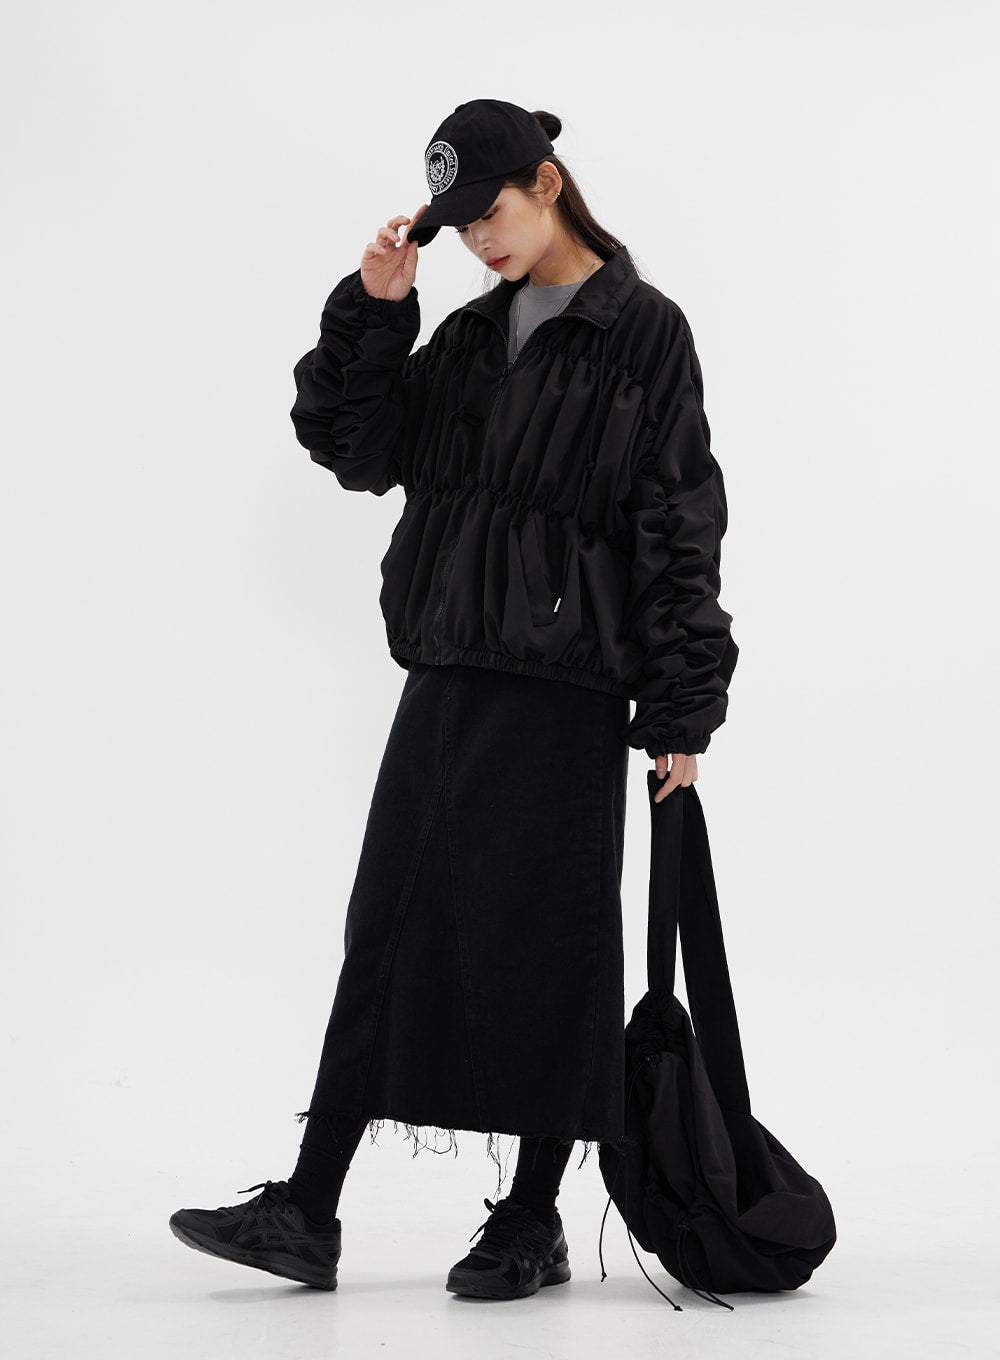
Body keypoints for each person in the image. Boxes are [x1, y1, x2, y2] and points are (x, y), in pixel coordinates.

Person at [169, 99, 739, 1302]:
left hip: (571, 683)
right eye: (459, 225)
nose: (479, 239)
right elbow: (357, 448)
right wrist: (378, 308)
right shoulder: (471, 334)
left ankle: (529, 1219)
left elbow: (676, 518)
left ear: (548, 183)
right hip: (445, 662)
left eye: (491, 213)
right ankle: (307, 1209)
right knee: (386, 927)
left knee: (554, 945)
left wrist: (681, 708)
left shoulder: (642, 330)